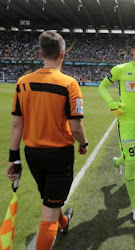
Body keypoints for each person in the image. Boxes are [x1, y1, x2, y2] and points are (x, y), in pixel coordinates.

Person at [5, 31, 88, 250]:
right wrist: (83, 143)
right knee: (49, 211)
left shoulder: (22, 83)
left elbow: (16, 124)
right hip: (59, 155)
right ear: (63, 54)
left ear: (41, 53)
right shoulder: (69, 84)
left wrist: (14, 157)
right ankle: (57, 223)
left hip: (32, 154)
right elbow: (76, 127)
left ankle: (64, 222)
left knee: (50, 198)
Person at [98, 35, 135, 226]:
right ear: (132, 50)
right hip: (127, 123)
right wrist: (111, 104)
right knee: (132, 162)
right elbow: (103, 87)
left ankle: (118, 161)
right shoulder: (121, 69)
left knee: (134, 156)